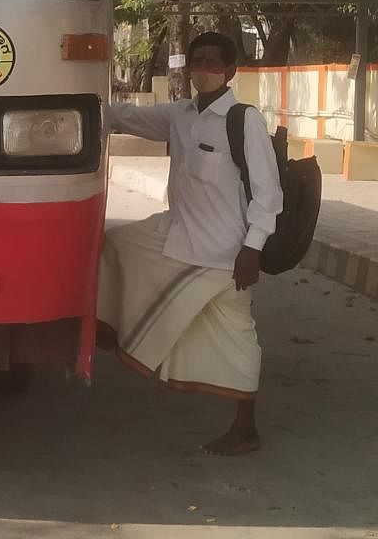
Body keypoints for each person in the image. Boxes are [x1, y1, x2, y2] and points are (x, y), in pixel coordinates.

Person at [99, 31, 282, 455]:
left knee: (238, 334)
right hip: (176, 232)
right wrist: (76, 99)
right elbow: (122, 116)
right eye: (196, 61)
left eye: (212, 63)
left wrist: (253, 248)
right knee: (114, 246)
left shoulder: (244, 119)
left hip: (225, 253)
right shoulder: (179, 115)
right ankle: (109, 328)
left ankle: (245, 429)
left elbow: (269, 192)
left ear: (231, 70)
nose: (203, 70)